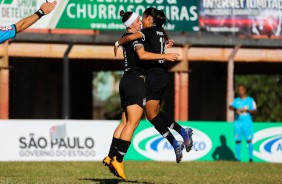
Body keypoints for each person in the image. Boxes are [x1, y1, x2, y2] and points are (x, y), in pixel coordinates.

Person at [103, 10, 179, 180]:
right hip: (136, 82)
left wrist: (163, 46)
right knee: (133, 123)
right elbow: (142, 55)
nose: (139, 22)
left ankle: (110, 156)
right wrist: (165, 55)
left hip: (126, 81)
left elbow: (141, 48)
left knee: (124, 122)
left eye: (140, 20)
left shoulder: (131, 35)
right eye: (137, 20)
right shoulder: (136, 36)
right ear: (130, 24)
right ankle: (119, 160)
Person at [114, 7, 194, 164]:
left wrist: (118, 42)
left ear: (150, 19)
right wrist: (165, 47)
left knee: (150, 115)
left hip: (154, 77)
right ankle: (181, 133)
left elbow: (132, 38)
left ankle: (176, 140)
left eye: (143, 18)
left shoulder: (148, 32)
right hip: (162, 76)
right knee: (155, 112)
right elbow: (157, 43)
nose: (141, 22)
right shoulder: (160, 32)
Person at [229, 84, 257, 162]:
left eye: (242, 90)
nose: (240, 91)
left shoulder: (250, 100)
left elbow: (255, 111)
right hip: (238, 123)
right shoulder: (236, 100)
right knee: (238, 140)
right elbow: (230, 106)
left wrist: (247, 110)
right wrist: (236, 109)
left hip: (247, 123)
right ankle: (238, 158)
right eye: (239, 90)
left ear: (245, 90)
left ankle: (251, 158)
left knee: (249, 140)